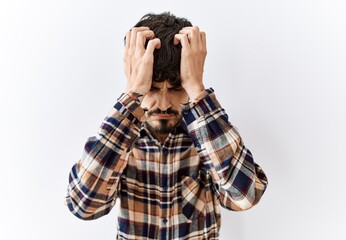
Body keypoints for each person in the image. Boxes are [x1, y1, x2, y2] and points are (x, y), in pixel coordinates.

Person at [64, 11, 268, 240]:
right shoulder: (121, 139)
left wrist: (196, 89)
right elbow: (83, 205)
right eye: (151, 88)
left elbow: (247, 196)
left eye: (175, 89)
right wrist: (132, 95)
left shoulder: (207, 136)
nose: (162, 105)